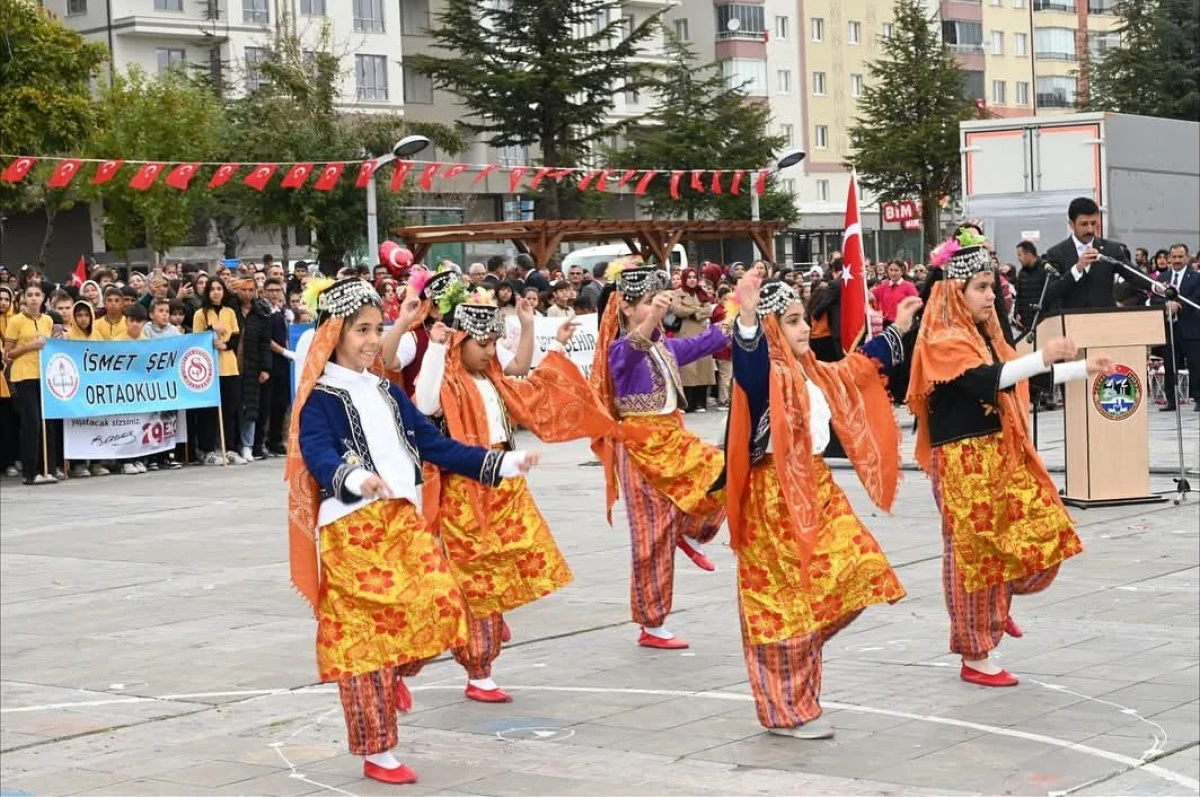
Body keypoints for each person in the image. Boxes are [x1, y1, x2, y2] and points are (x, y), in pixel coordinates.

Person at [290, 278, 540, 785]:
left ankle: (395, 675)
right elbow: (318, 453)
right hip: (352, 530)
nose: (369, 339)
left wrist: (503, 463)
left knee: (446, 606)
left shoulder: (384, 389)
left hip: (402, 521)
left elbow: (434, 444)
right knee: (363, 643)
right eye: (361, 330)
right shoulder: (320, 396)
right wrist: (356, 479)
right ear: (334, 332)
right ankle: (377, 749)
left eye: (375, 329)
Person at [907, 229, 1114, 687]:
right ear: (955, 291)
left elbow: (1018, 378)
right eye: (980, 287)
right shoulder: (943, 336)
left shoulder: (985, 334)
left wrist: (1082, 368)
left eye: (991, 286)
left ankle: (997, 608)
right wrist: (1042, 355)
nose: (990, 295)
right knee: (973, 556)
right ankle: (975, 653)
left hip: (997, 454)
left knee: (1041, 526)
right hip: (962, 459)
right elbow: (989, 379)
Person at [723, 274, 919, 738]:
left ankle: (797, 699)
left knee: (859, 567)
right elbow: (749, 375)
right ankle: (785, 710)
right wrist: (748, 320)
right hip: (775, 495)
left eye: (803, 320)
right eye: (791, 322)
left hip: (816, 486)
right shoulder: (765, 370)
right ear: (772, 328)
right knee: (783, 604)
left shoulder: (811, 368)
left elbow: (854, 370)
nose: (804, 329)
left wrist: (898, 328)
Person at [413, 285, 615, 702]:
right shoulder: (447, 380)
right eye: (482, 345)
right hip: (465, 487)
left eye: (492, 344)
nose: (489, 352)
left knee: (516, 554)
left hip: (505, 480)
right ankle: (478, 667)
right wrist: (435, 349)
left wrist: (531, 329)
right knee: (476, 572)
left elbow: (526, 374)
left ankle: (487, 622)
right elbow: (425, 401)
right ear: (460, 341)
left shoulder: (493, 378)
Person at [590, 257, 731, 649]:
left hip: (672, 439)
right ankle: (651, 624)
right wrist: (653, 318)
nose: (658, 307)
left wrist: (742, 311)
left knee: (728, 469)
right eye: (649, 301)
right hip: (640, 447)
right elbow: (631, 350)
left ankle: (694, 532)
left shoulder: (663, 347)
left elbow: (705, 341)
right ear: (627, 308)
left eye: (658, 300)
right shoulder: (621, 350)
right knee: (651, 537)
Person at [3, 283, 60, 484]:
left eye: (37, 295)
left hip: (45, 376)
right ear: (24, 298)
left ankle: (49, 468)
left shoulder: (48, 320)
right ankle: (30, 471)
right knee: (32, 423)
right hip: (24, 376)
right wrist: (29, 346)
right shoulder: (16, 321)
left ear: (44, 298)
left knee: (48, 423)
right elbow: (8, 354)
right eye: (30, 295)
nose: (34, 298)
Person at [1041, 197, 1129, 310]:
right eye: (1084, 224)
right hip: (1072, 321)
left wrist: (1155, 286)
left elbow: (1132, 273)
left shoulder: (1111, 249)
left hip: (1106, 320)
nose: (1090, 229)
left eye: (1094, 223)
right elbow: (1050, 293)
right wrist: (1077, 269)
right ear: (1071, 224)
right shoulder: (1056, 253)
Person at [194, 279, 244, 465]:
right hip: (209, 369)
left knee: (230, 409)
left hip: (229, 366)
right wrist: (210, 329)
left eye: (219, 289)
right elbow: (196, 339)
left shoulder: (230, 312)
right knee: (209, 412)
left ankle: (230, 448)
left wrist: (225, 344)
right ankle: (208, 449)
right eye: (212, 289)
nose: (216, 292)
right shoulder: (201, 314)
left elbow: (236, 336)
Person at [1150, 243, 1200, 411]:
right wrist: (1166, 304)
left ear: (1186, 257)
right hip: (1169, 327)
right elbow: (1155, 298)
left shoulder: (1195, 277)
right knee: (1170, 364)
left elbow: (1196, 298)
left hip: (1190, 327)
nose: (1177, 260)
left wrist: (1178, 304)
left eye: (1180, 257)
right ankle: (1171, 400)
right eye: (1174, 257)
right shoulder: (1162, 277)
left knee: (1195, 363)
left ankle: (1198, 398)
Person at [670, 268, 717, 412]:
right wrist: (696, 309)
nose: (692, 280)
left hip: (702, 333)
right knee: (687, 370)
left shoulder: (701, 293)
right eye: (689, 277)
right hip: (685, 334)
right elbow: (676, 309)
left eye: (694, 277)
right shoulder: (679, 293)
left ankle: (700, 403)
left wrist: (692, 311)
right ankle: (687, 403)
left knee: (703, 369)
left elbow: (708, 310)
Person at [870, 261, 919, 327]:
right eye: (891, 270)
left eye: (896, 270)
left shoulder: (909, 286)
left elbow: (917, 304)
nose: (893, 273)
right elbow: (871, 296)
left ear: (902, 272)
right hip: (886, 324)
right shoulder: (883, 285)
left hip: (902, 325)